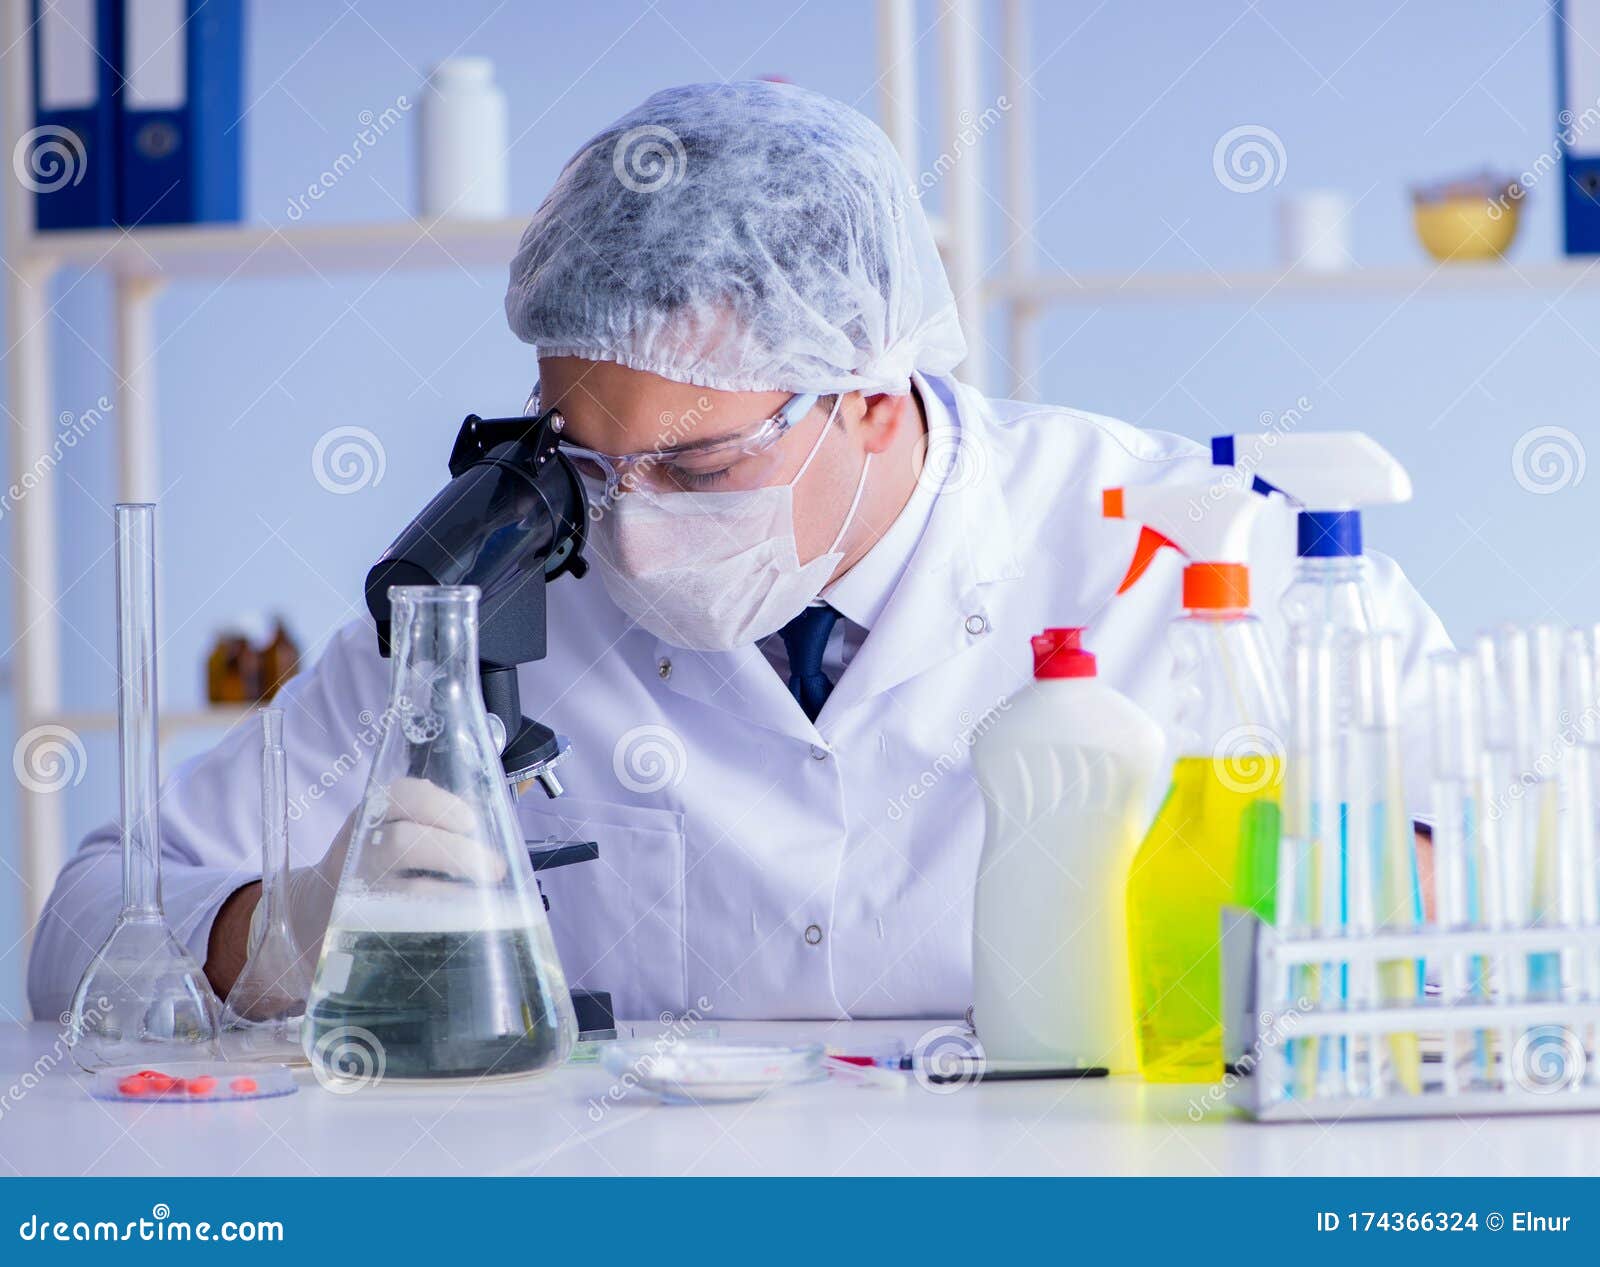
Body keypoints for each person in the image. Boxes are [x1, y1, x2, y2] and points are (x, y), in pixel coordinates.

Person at [27, 81, 1449, 1023]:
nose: (630, 524)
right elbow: (79, 930)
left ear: (874, 395)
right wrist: (285, 930)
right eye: (588, 453)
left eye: (700, 465)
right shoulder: (498, 591)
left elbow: (1498, 858)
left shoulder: (1191, 546)